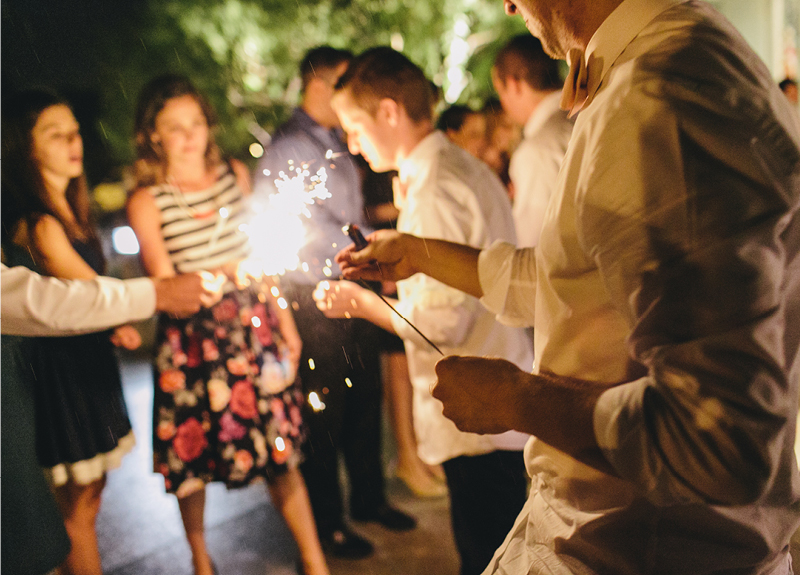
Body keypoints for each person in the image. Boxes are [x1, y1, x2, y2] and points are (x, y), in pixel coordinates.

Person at [334, 0, 800, 573]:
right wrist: (420, 254)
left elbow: (721, 439)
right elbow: (575, 282)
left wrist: (516, 398)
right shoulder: (661, 61)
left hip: (634, 548)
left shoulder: (659, 95)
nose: (508, 3)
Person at [317, 47, 534, 575]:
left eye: (354, 125)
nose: (351, 142)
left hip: (479, 407)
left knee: (487, 556)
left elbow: (443, 321)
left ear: (388, 113)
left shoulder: (437, 185)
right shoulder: (449, 167)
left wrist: (365, 305)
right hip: (492, 395)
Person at [126, 74, 328, 575]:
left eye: (195, 122)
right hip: (192, 340)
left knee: (278, 450)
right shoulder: (147, 201)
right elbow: (165, 286)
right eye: (175, 127)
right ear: (154, 135)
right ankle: (201, 560)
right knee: (191, 455)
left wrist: (286, 322)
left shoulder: (234, 175)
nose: (190, 135)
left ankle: (314, 559)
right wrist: (223, 273)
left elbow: (265, 257)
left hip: (252, 330)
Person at [253, 46, 415, 559]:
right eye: (349, 79)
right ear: (321, 83)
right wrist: (370, 244)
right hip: (313, 291)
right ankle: (328, 523)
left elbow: (344, 208)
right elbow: (303, 226)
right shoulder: (290, 145)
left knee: (364, 399)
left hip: (351, 282)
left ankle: (369, 499)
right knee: (324, 411)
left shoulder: (332, 140)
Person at [1, 89, 144, 575]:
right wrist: (129, 313)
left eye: (75, 131)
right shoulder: (41, 223)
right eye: (55, 135)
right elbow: (88, 291)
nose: (72, 142)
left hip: (89, 367)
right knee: (77, 509)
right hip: (66, 378)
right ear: (28, 149)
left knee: (88, 501)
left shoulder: (71, 212)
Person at [0, 263, 212, 575]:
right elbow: (26, 298)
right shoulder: (40, 223)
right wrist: (156, 293)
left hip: (85, 361)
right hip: (64, 372)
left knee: (80, 504)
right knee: (51, 527)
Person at [492, 35, 573, 248]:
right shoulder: (589, 113)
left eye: (500, 92)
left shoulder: (536, 152)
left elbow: (534, 248)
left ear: (514, 84)